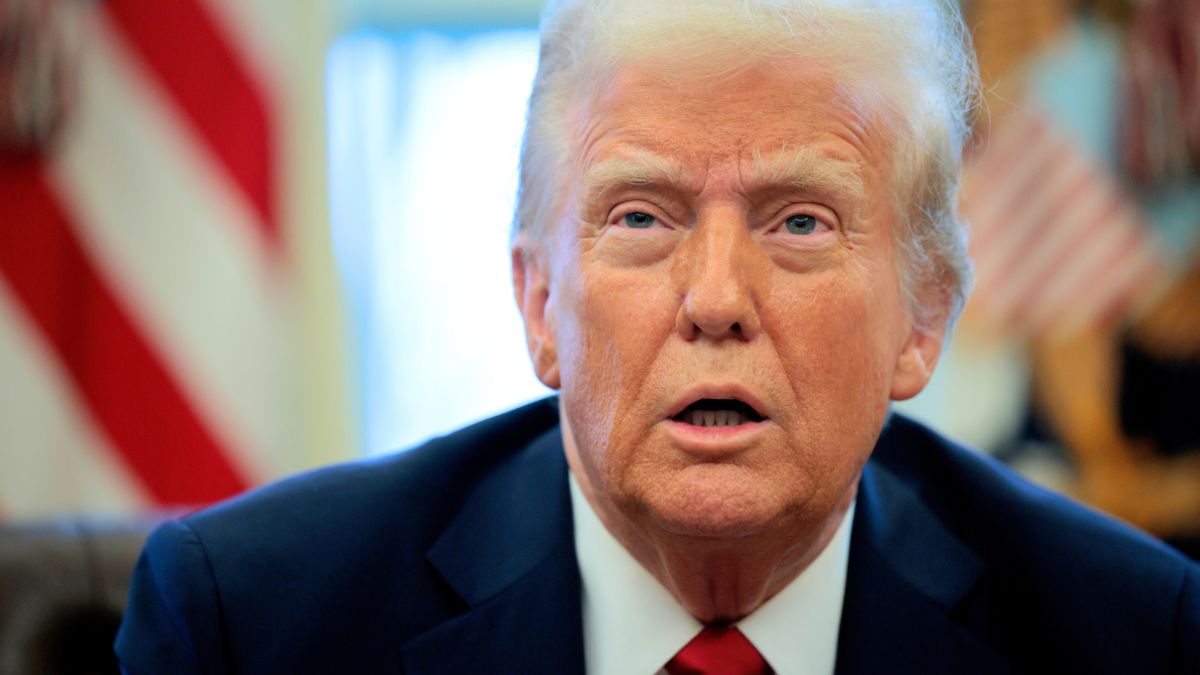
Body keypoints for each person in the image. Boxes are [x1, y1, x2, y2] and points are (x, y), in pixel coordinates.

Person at [115, 0, 1200, 673]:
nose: (716, 296)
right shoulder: (250, 629)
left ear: (922, 318)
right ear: (540, 304)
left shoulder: (1130, 636)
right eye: (641, 217)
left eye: (799, 221)